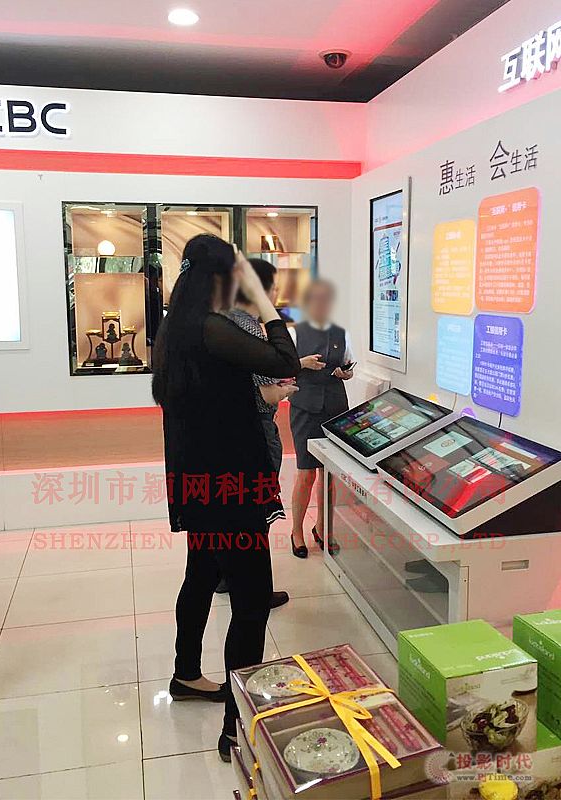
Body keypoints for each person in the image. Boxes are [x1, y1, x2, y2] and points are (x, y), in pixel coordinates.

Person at [152, 234, 300, 762]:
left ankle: (186, 674)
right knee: (252, 601)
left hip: (199, 484)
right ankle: (236, 728)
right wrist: (265, 303)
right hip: (229, 489)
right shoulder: (213, 328)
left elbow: (214, 398)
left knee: (199, 576)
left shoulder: (174, 328)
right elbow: (286, 358)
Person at [214, 257, 298, 605]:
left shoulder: (224, 321)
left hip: (230, 431)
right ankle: (254, 588)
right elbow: (264, 391)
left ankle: (226, 576)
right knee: (258, 512)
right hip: (258, 428)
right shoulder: (249, 327)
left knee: (234, 510)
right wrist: (285, 390)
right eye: (273, 287)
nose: (276, 293)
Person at [289, 279, 354, 557]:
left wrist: (346, 373)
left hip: (335, 408)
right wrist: (301, 363)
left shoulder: (342, 332)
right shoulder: (295, 333)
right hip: (305, 408)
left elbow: (349, 366)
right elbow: (281, 367)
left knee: (328, 475)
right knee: (306, 473)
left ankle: (323, 529)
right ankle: (296, 532)